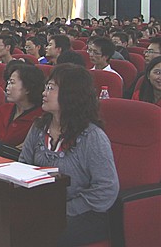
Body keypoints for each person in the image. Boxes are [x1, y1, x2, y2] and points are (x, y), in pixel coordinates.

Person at [19, 64, 119, 247]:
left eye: (51, 88)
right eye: (46, 87)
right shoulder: (39, 127)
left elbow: (106, 189)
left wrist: (63, 209)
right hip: (42, 206)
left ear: (70, 95)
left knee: (39, 232)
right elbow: (23, 165)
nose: (44, 93)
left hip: (84, 212)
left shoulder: (92, 137)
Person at [0, 63, 45, 160]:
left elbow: (22, 155)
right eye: (8, 83)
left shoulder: (40, 118)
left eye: (12, 83)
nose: (7, 88)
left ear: (27, 88)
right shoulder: (3, 109)